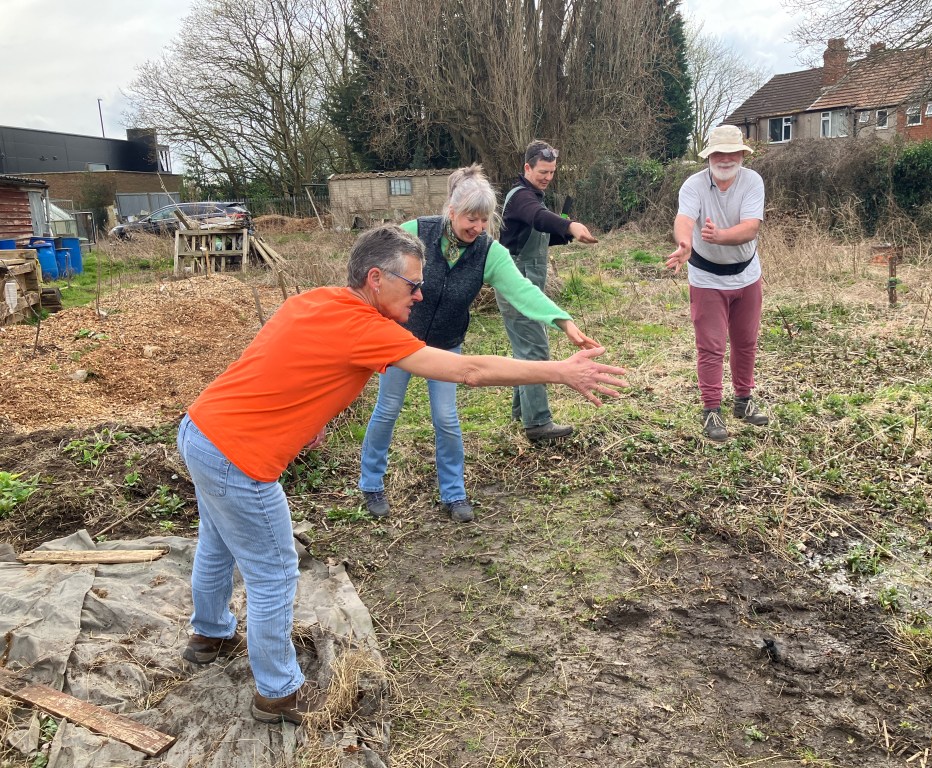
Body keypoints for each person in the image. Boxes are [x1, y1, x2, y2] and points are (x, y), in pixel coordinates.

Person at [176, 224, 626, 726]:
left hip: (201, 430)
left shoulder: (318, 301)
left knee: (217, 541)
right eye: (412, 284)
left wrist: (311, 416)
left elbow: (279, 358)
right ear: (375, 278)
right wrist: (559, 371)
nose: (420, 294)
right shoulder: (367, 328)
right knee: (275, 571)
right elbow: (469, 371)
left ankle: (209, 634)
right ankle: (277, 693)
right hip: (238, 458)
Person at [358, 165, 599, 523]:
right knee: (388, 408)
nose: (478, 227)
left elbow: (522, 290)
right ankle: (371, 483)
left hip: (446, 344)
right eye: (471, 218)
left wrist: (563, 320)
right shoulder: (416, 233)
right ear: (452, 211)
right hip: (400, 339)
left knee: (446, 418)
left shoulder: (488, 252)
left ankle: (453, 492)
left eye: (484, 220)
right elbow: (371, 261)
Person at [665, 124, 769, 443]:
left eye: (732, 153)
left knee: (745, 341)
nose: (725, 159)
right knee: (710, 346)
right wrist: (685, 243)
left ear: (742, 155)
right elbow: (684, 219)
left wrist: (720, 236)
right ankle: (711, 409)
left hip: (746, 275)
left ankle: (743, 400)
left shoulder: (752, 181)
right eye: (718, 153)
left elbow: (751, 228)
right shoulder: (694, 185)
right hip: (706, 277)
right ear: (709, 156)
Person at [498, 140, 599, 443]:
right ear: (527, 168)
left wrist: (565, 234)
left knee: (526, 349)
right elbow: (538, 218)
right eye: (542, 171)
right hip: (518, 285)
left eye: (552, 172)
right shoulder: (521, 197)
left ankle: (521, 413)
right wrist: (570, 226)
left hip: (527, 284)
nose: (547, 177)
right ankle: (538, 423)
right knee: (535, 351)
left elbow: (537, 234)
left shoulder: (531, 197)